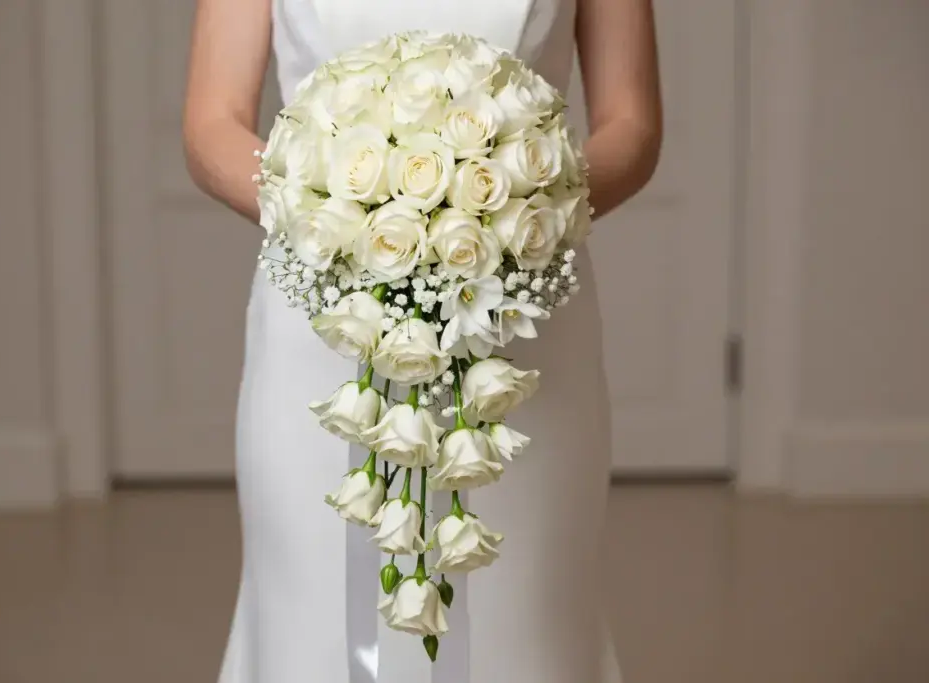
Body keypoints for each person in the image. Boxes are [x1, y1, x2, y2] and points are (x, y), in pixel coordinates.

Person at [183, 1, 661, 681]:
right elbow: (210, 121)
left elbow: (633, 124)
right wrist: (335, 209)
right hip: (320, 317)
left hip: (520, 313)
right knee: (314, 622)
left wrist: (513, 204)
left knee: (524, 622)